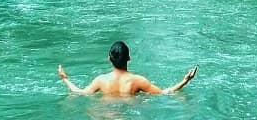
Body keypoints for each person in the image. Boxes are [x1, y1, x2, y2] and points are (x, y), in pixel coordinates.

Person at [57, 40, 197, 95]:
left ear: (109, 59)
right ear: (129, 58)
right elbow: (164, 93)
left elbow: (79, 92)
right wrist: (185, 81)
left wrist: (65, 79)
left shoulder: (101, 80)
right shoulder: (138, 81)